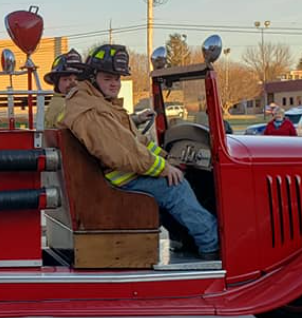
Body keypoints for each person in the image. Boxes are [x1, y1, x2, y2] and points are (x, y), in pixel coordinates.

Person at [60, 44, 220, 260]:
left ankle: (181, 239)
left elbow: (134, 140)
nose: (115, 83)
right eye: (108, 78)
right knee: (176, 187)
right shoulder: (91, 110)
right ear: (92, 77)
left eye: (118, 78)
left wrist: (165, 158)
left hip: (115, 175)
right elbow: (121, 152)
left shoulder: (98, 102)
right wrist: (163, 168)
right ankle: (213, 246)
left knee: (174, 178)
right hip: (119, 178)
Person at [43, 49, 83, 128]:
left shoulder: (78, 101)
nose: (73, 83)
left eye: (77, 79)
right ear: (56, 83)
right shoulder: (60, 104)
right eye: (66, 79)